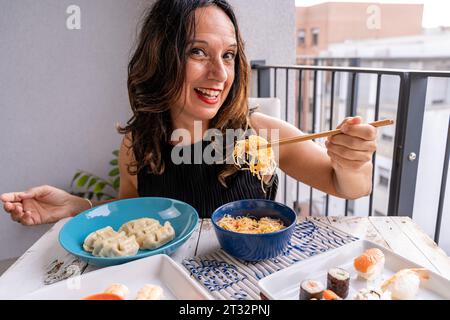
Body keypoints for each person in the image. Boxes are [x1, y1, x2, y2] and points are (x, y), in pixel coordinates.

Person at [0, 0, 377, 226]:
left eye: (228, 55)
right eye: (198, 52)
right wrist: (77, 207)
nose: (220, 73)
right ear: (161, 59)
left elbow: (347, 186)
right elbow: (132, 209)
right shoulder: (139, 143)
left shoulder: (261, 132)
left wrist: (352, 162)